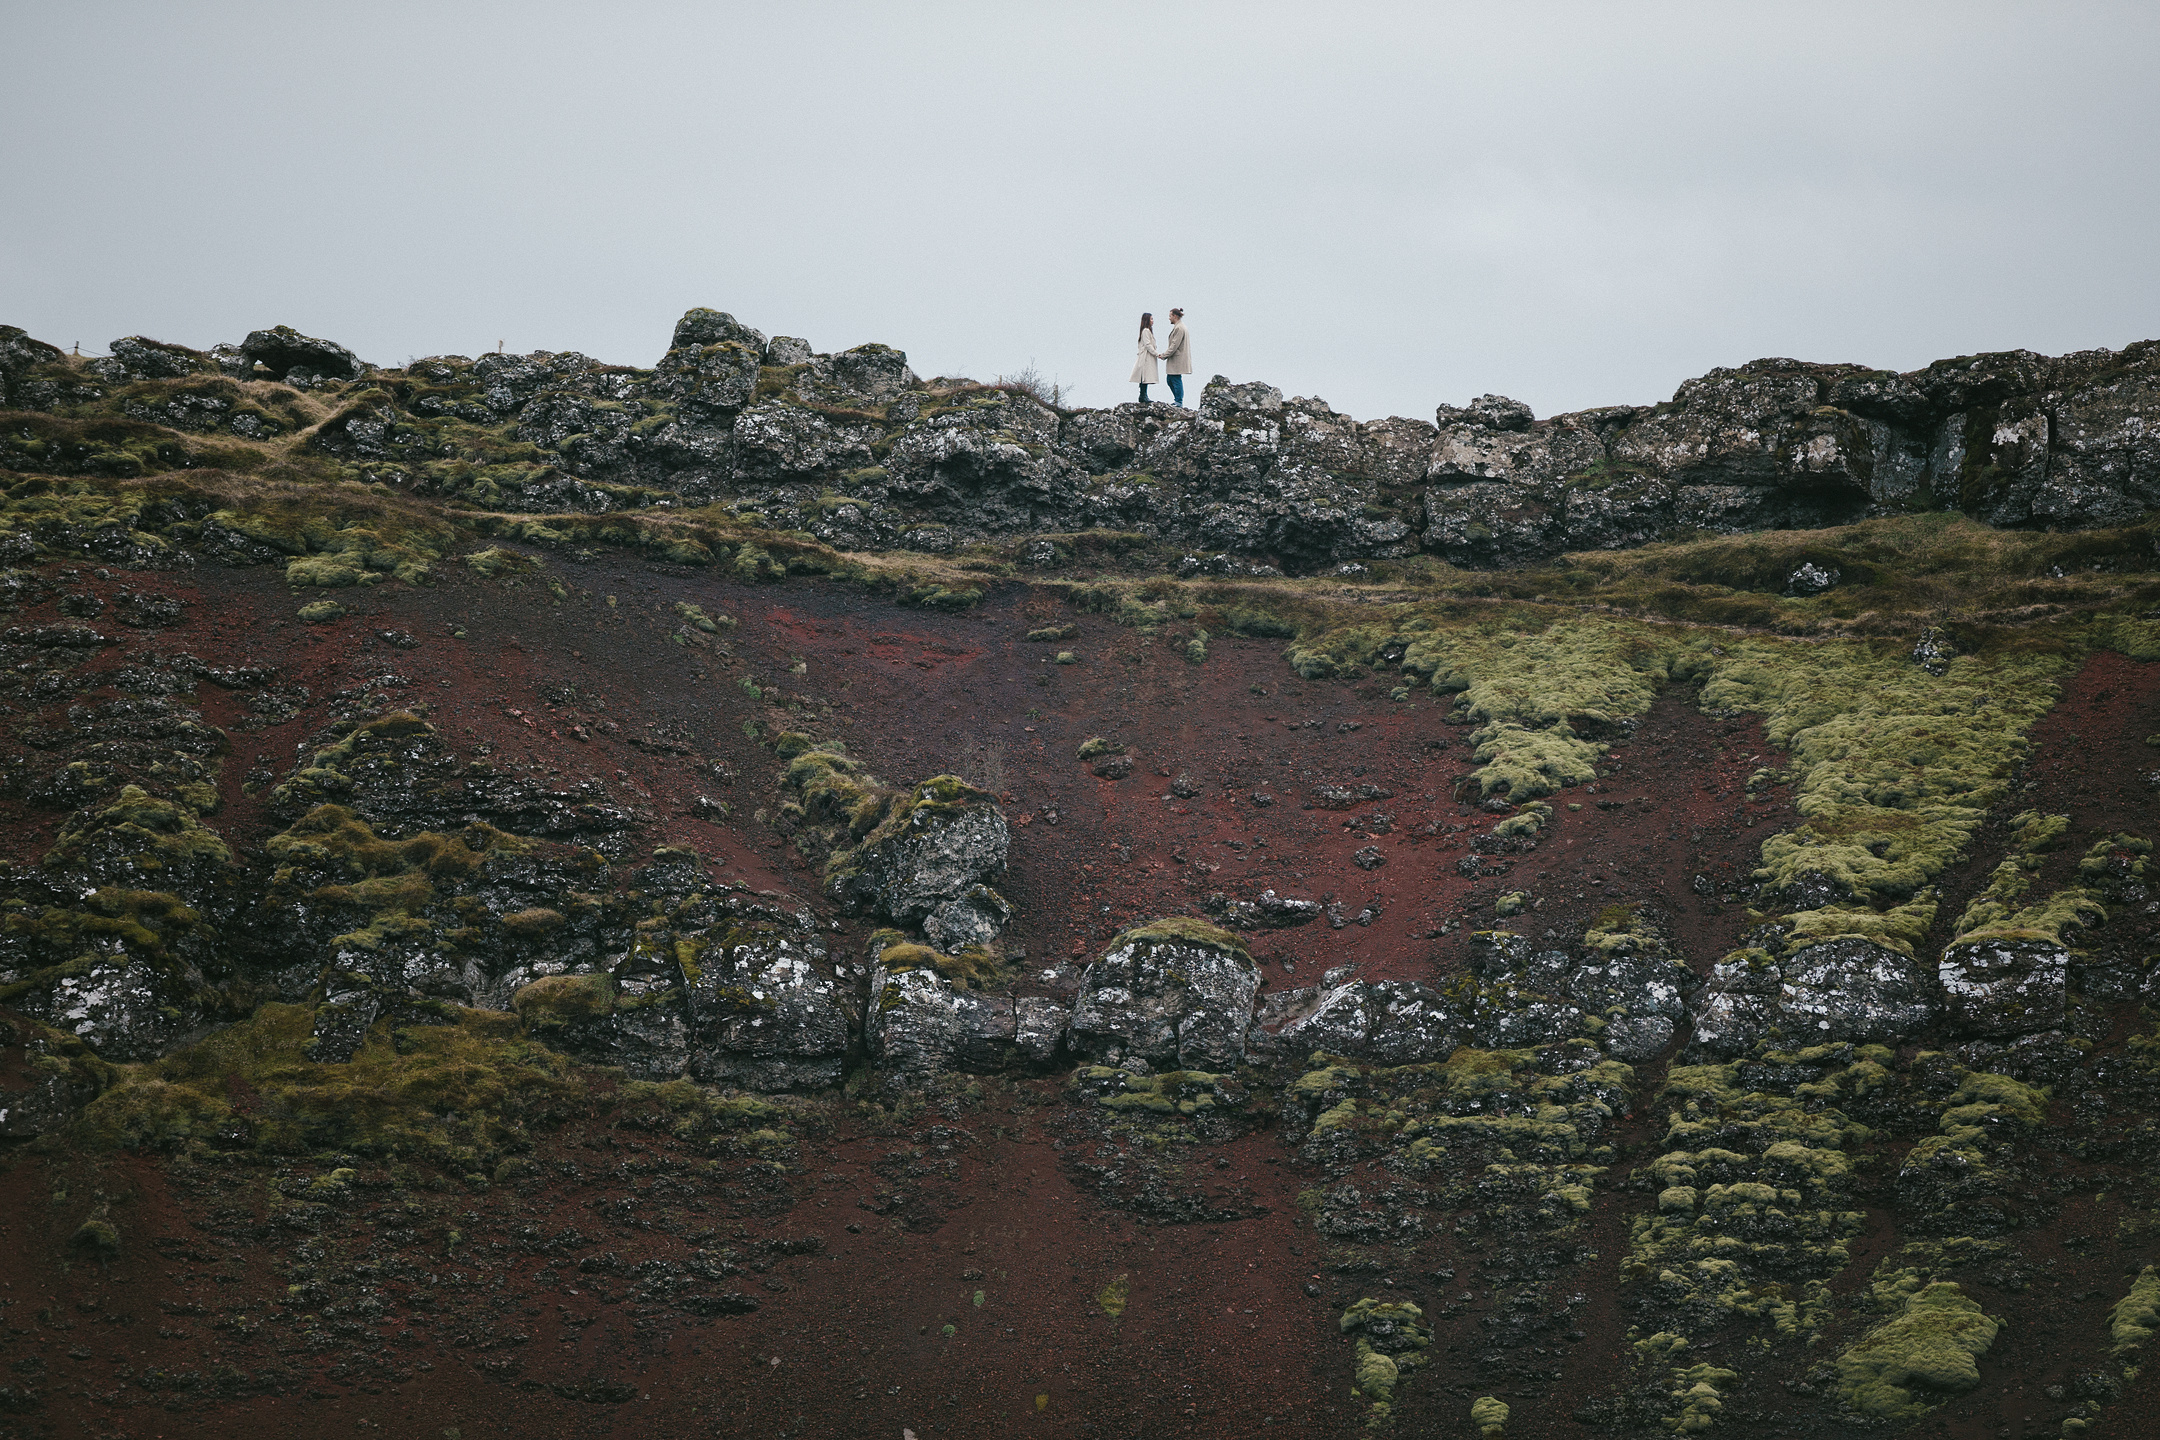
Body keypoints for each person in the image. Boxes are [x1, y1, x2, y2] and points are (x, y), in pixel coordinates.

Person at [1159, 308, 1191, 406]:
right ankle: (1177, 400)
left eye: (1170, 316)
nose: (1169, 318)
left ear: (1175, 316)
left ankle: (1179, 401)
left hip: (1177, 359)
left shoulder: (1179, 328)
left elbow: (1174, 345)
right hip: (1176, 358)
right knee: (1170, 379)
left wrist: (1164, 355)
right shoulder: (1179, 327)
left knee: (1175, 379)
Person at [1130, 312, 1162, 402]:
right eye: (1151, 319)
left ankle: (1143, 395)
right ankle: (1143, 395)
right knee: (1144, 376)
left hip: (1146, 357)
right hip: (1146, 357)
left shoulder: (1146, 331)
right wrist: (1156, 353)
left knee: (1145, 377)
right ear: (1147, 320)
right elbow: (1148, 345)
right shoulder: (1146, 331)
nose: (1153, 321)